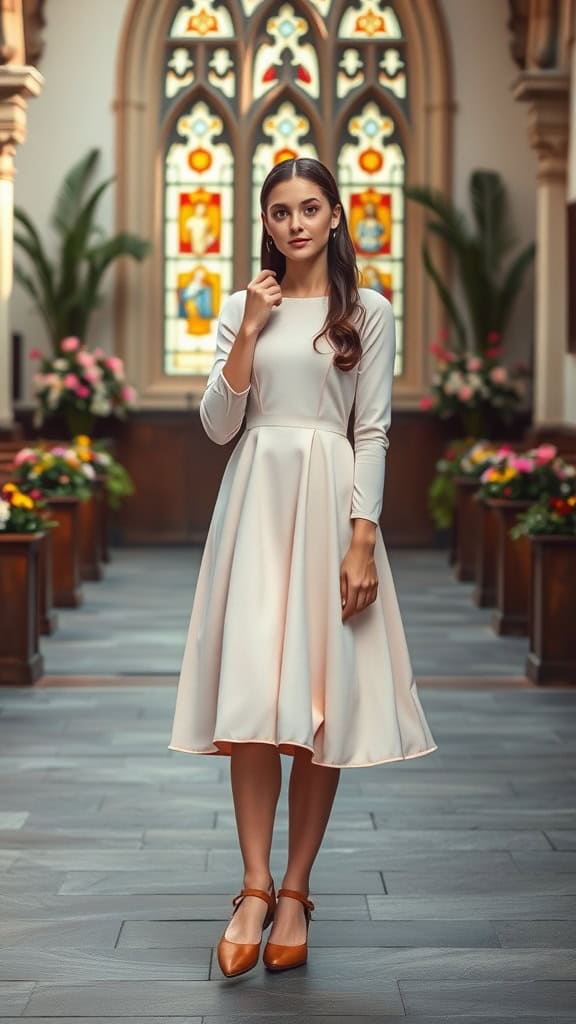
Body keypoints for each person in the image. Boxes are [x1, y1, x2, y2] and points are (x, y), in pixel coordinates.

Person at [168, 157, 438, 978]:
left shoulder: (372, 311)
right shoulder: (244, 308)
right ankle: (252, 886)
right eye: (280, 210)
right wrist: (248, 328)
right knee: (252, 694)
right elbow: (219, 425)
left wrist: (364, 538)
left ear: (334, 216)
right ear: (266, 221)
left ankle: (294, 889)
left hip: (331, 511)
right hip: (255, 503)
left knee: (321, 703)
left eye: (310, 208)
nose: (295, 223)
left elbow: (374, 431)